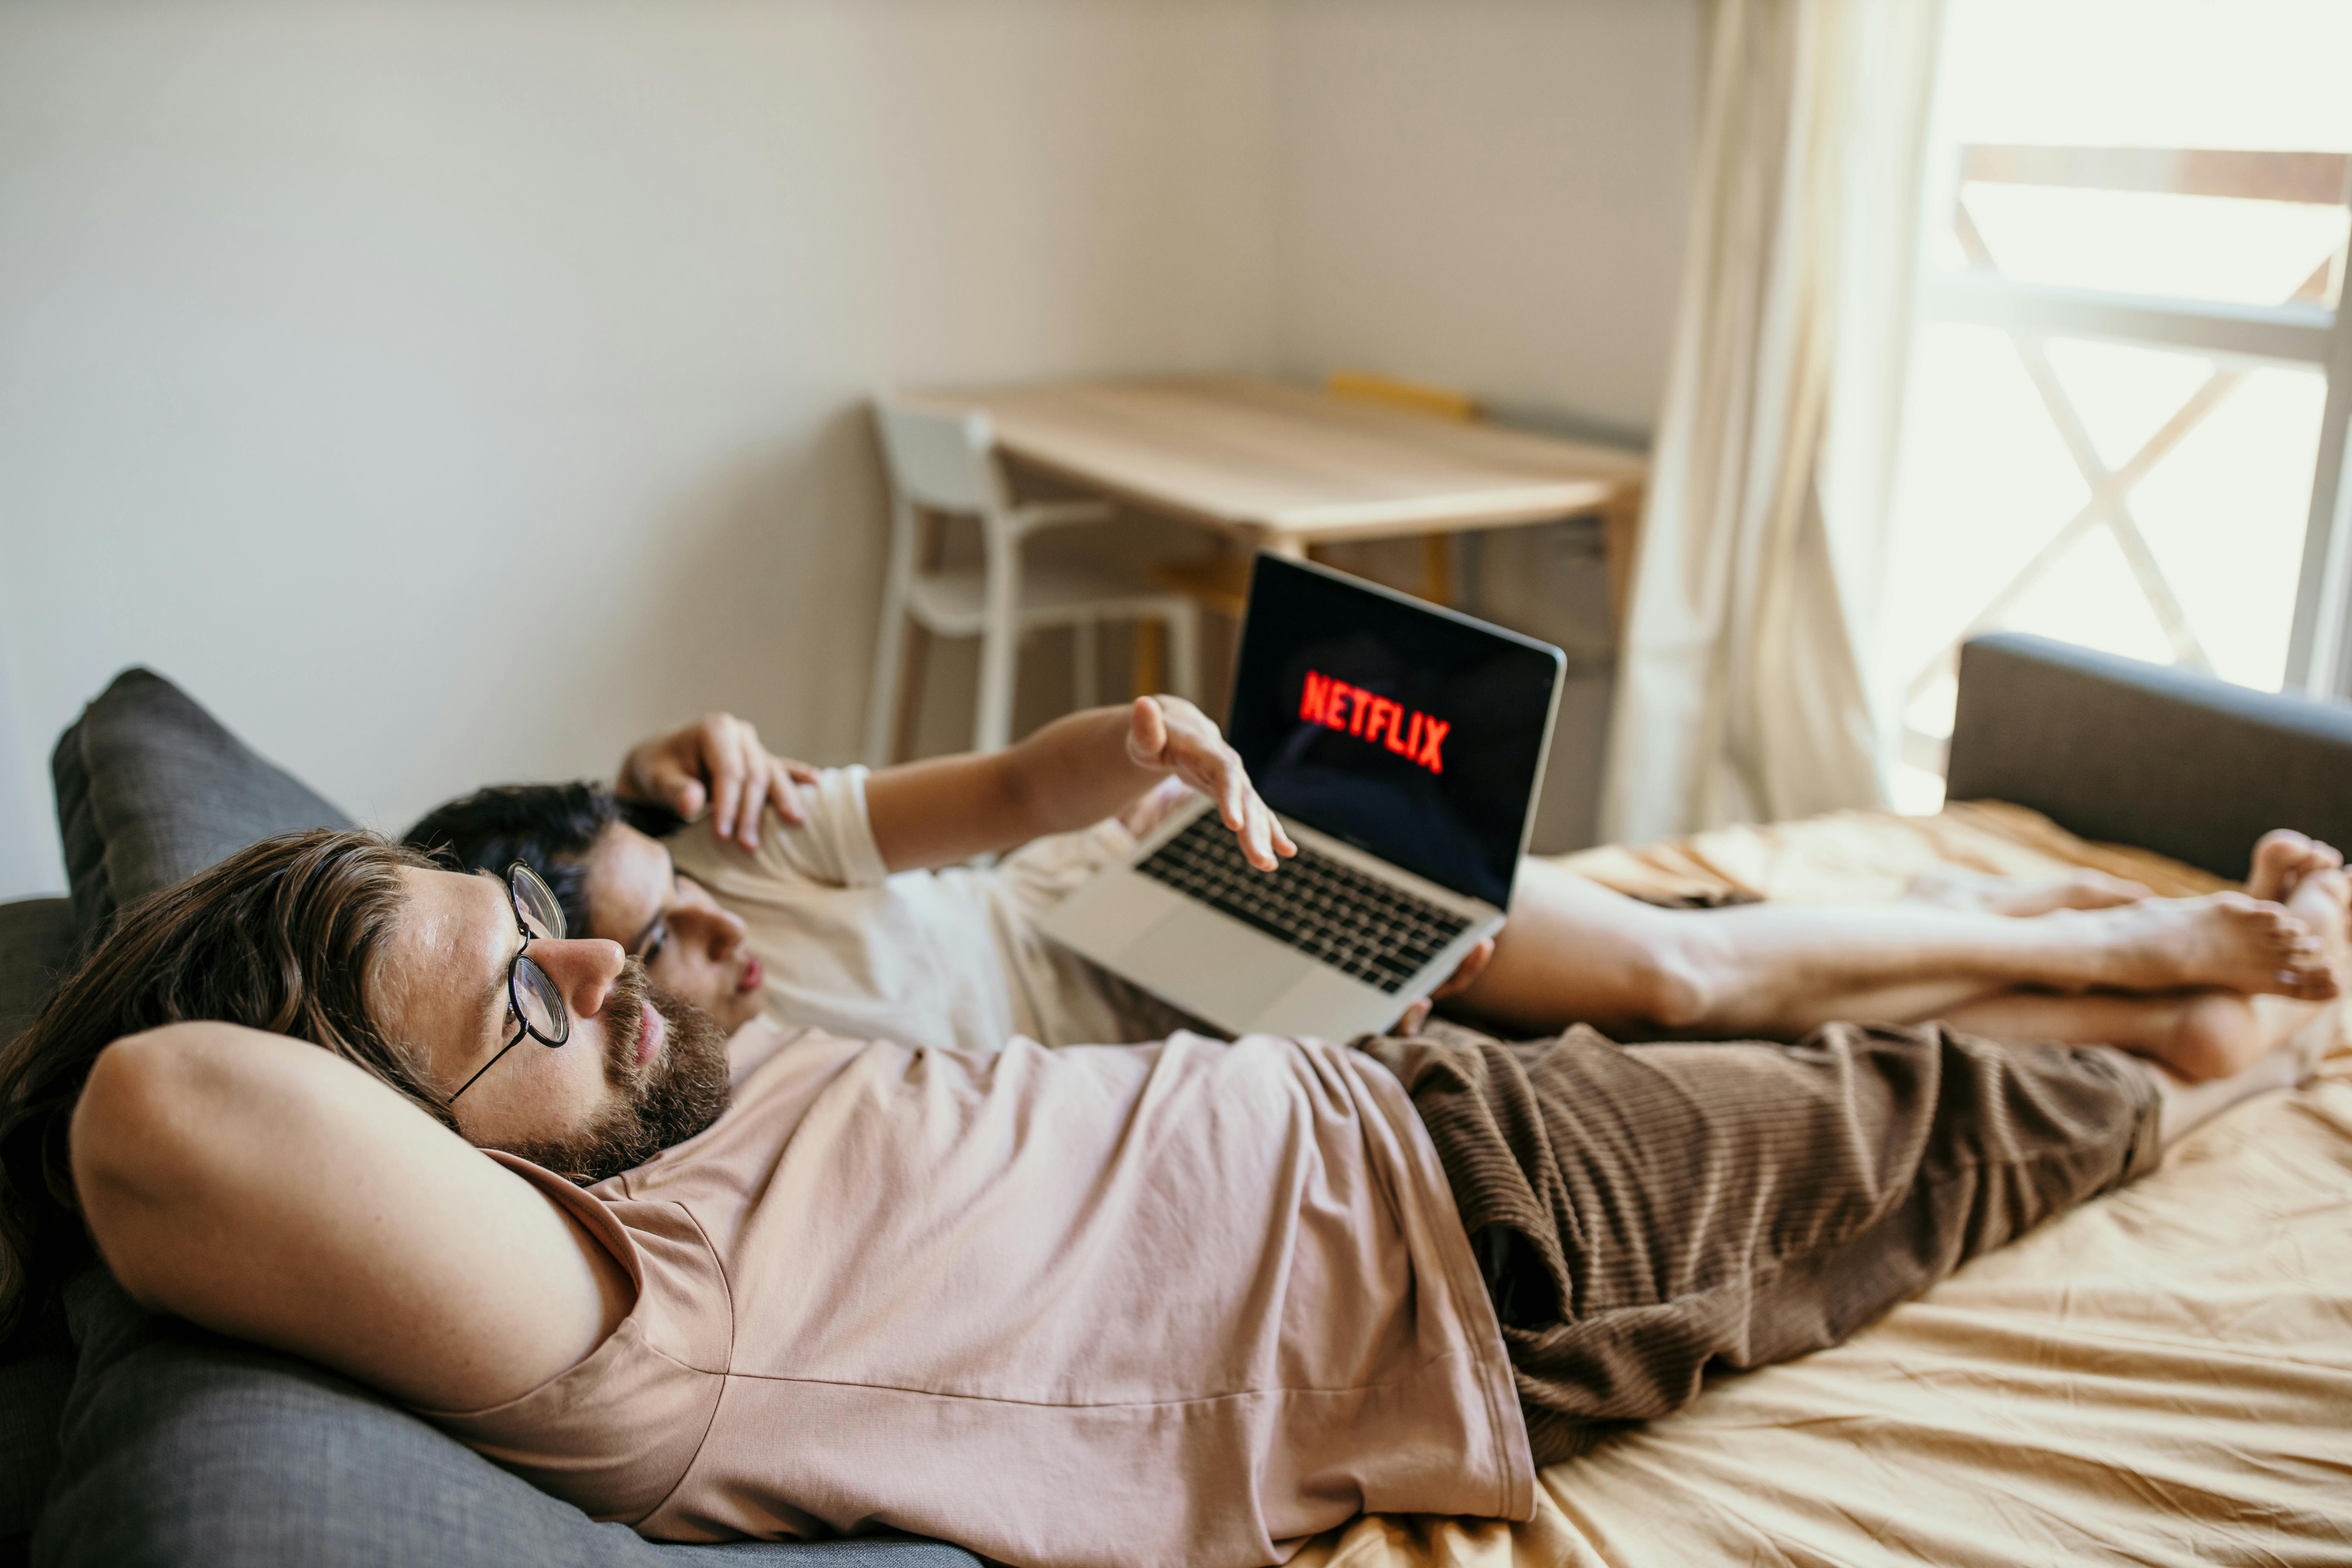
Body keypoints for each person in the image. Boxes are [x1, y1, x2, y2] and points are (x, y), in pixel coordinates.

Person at [4, 826, 2336, 1566]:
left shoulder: (649, 1137)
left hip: (1361, 1101)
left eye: (531, 908)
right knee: (1970, 1115)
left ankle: (2111, 940)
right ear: (403, 1166)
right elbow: (158, 1112)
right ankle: (2266, 1012)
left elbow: (626, 958)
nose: (587, 961)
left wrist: (601, 984)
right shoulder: (612, 1325)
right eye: (521, 991)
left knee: (1690, 967)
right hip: (1492, 1250)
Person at [406, 697, 2343, 1083]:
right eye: (654, 949)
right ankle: (2129, 986)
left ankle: (2129, 942)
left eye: (674, 890)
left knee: (1673, 971)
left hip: (1139, 878)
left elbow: (1006, 790)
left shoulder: (752, 849)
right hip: (1212, 1027)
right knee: (1677, 986)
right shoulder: (692, 1103)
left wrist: (1151, 743)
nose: (709, 931)